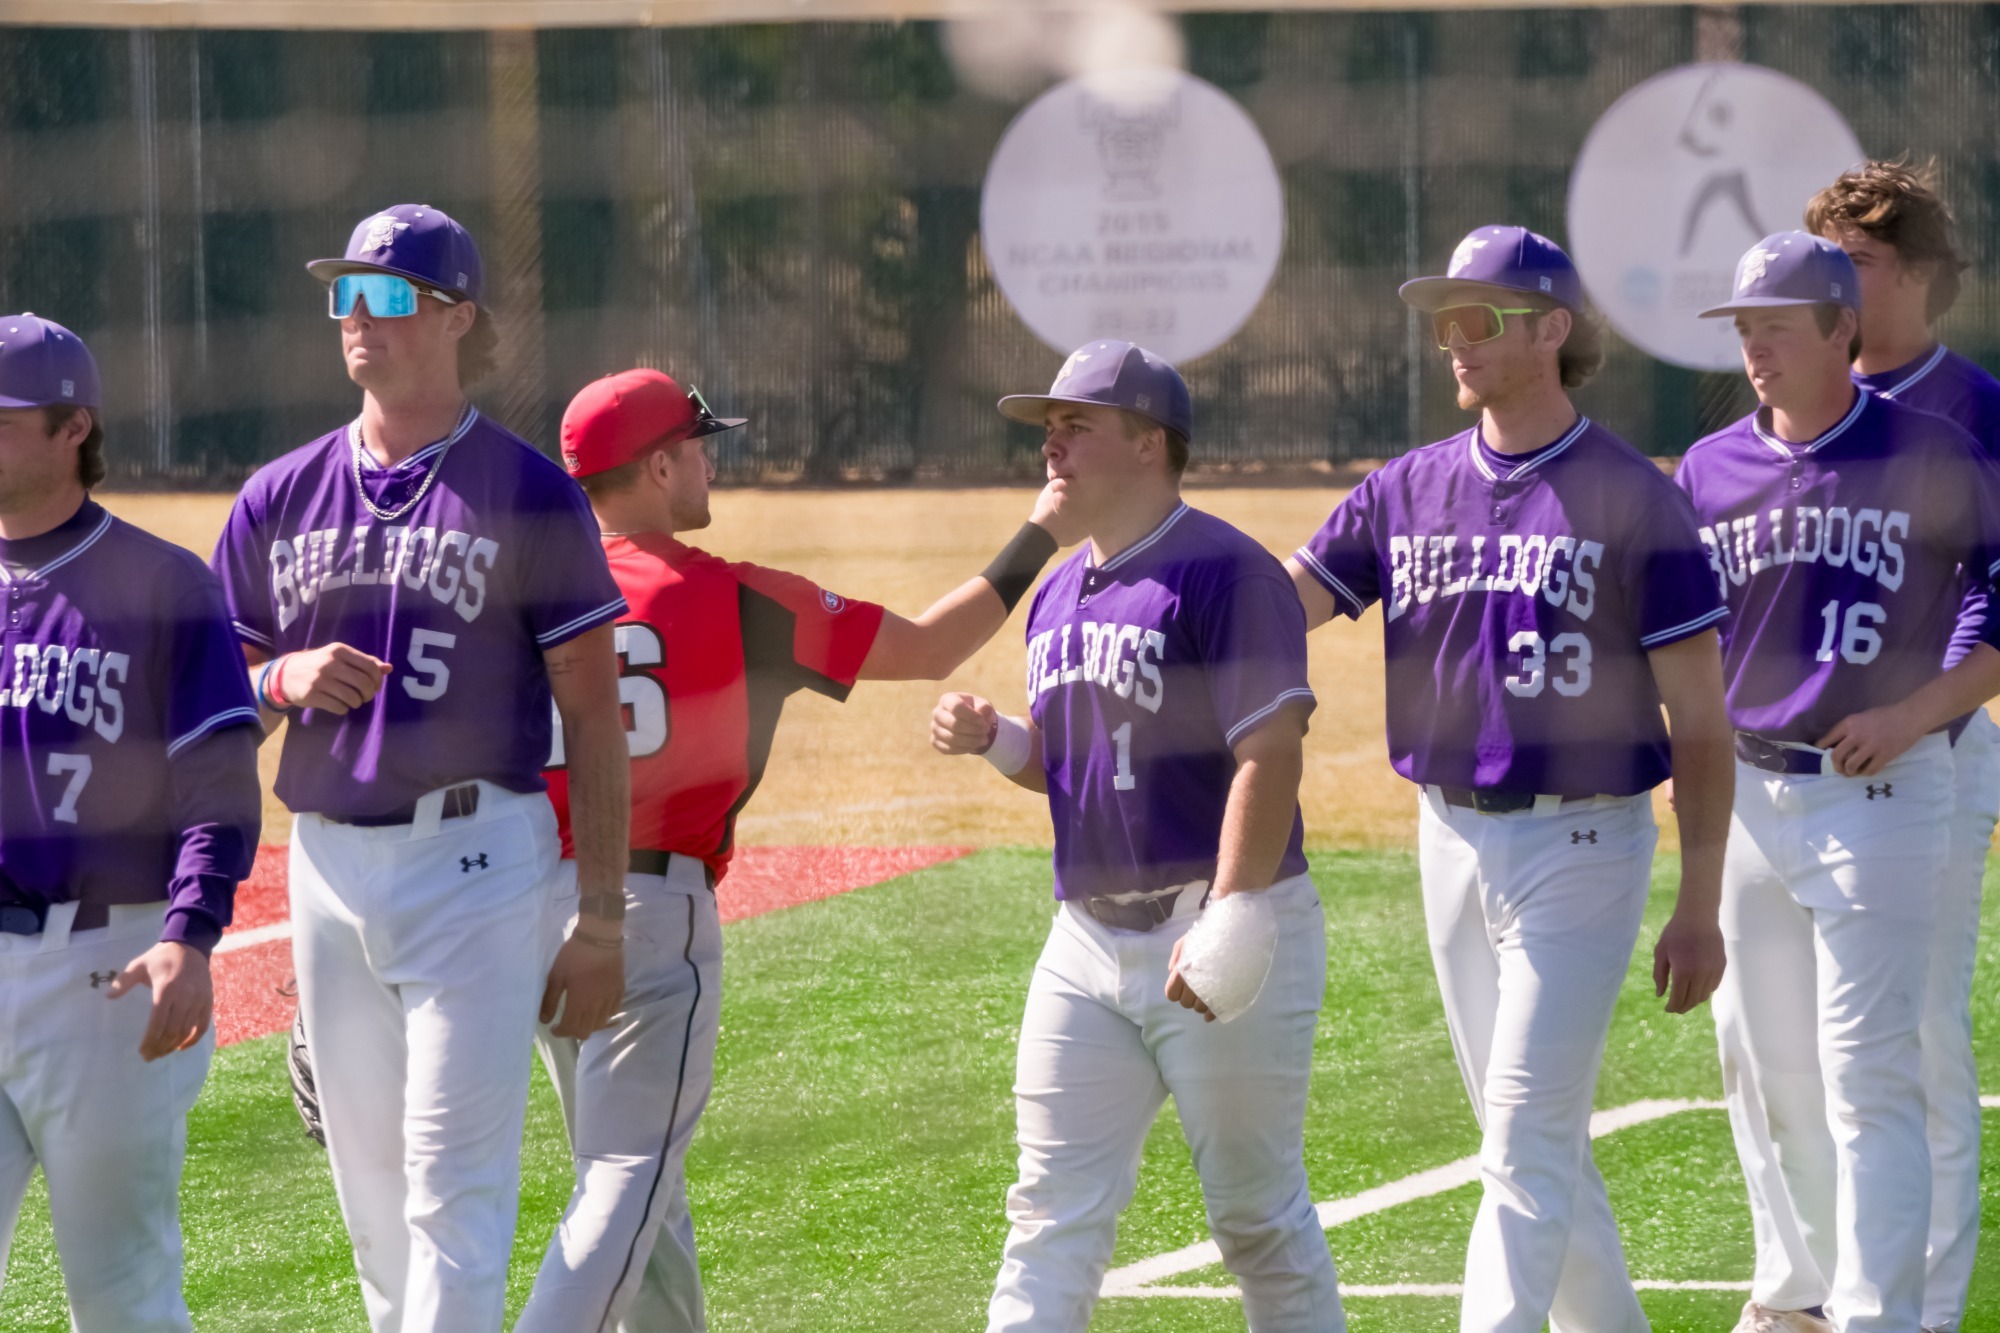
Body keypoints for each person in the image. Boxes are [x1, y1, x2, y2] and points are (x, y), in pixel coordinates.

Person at [516, 367, 1067, 1333]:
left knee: (645, 1182)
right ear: (655, 465)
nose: (710, 460)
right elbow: (934, 645)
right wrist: (1045, 531)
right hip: (650, 915)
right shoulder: (735, 598)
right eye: (697, 444)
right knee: (626, 1179)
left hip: (527, 910)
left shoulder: (531, 598)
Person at [1285, 226, 1732, 1333]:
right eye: (1443, 318)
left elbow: (1705, 723)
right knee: (1526, 1130)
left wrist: (1698, 900)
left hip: (1584, 846)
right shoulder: (1405, 487)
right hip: (1444, 836)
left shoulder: (1636, 499)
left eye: (1478, 315)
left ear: (1550, 331)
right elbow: (1266, 608)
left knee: (1522, 1135)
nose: (1453, 339)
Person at [209, 205, 632, 1333]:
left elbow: (594, 716)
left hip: (479, 862)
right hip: (327, 867)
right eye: (344, 294)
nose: (359, 317)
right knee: (374, 1203)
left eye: (388, 296)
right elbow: (206, 702)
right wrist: (276, 681)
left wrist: (599, 918)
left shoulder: (529, 491)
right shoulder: (278, 493)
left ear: (456, 318)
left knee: (456, 1192)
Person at [931, 340, 1346, 1332]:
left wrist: (1235, 910)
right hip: (1081, 942)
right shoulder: (1055, 594)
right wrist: (997, 743)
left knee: (1254, 1220)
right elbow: (1075, 765)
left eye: (1076, 425)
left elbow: (1269, 750)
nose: (1053, 446)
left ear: (1150, 442)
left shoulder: (1224, 569)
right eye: (1048, 428)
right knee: (1046, 1215)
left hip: (1217, 921)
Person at [1676, 231, 2000, 1333]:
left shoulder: (1927, 449)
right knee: (1767, 1078)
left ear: (1837, 328)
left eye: (1774, 325)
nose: (1753, 348)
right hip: (1751, 801)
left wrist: (1915, 713)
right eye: (1741, 328)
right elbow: (1677, 640)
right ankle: (1804, 1299)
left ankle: (1881, 1319)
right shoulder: (1707, 468)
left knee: (1867, 1076)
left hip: (1880, 794)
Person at [0, 314, 262, 1330]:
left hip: (105, 972)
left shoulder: (161, 585)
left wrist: (190, 935)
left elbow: (219, 785)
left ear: (74, 428)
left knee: (119, 1293)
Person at [1806, 161, 2000, 1333]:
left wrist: (1916, 708)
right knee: (1775, 1044)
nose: (1831, 283)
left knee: (1917, 1036)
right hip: (1798, 771)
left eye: (1858, 264)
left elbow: (1991, 593)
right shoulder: (1789, 400)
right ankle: (1796, 1288)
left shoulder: (1970, 406)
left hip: (1928, 750)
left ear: (1920, 276)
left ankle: (1922, 1308)